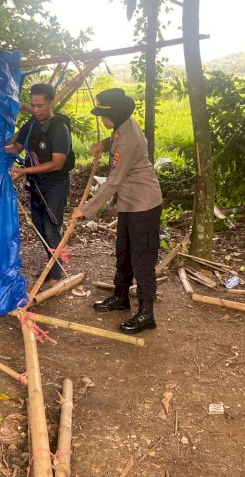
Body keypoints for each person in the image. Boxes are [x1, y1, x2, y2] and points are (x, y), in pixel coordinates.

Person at [71, 88, 162, 334]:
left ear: (117, 113)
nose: (102, 120)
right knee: (123, 253)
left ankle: (146, 313)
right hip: (129, 204)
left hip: (144, 205)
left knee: (142, 259)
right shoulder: (123, 125)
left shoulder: (129, 141)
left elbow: (113, 182)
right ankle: (121, 297)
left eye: (104, 116)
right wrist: (104, 142)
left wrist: (86, 210)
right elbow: (116, 138)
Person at [6, 83, 74, 286]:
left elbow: (57, 163)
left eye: (40, 106)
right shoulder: (32, 124)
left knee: (51, 228)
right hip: (36, 185)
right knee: (39, 226)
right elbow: (16, 148)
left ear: (51, 102)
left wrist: (24, 171)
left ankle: (56, 273)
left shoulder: (59, 128)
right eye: (33, 105)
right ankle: (54, 266)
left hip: (55, 185)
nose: (36, 110)